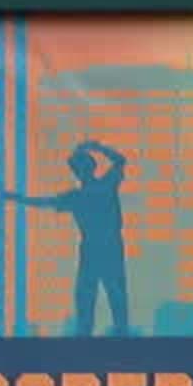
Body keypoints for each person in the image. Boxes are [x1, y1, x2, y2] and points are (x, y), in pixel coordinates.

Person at [12, 139, 131, 337]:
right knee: (113, 297)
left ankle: (91, 337)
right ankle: (117, 335)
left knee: (91, 299)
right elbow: (120, 161)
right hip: (108, 247)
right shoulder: (104, 186)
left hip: (95, 249)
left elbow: (45, 202)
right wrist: (96, 146)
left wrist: (18, 199)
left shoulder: (81, 195)